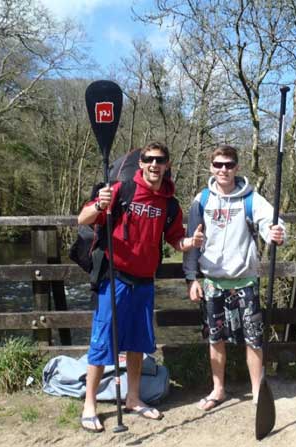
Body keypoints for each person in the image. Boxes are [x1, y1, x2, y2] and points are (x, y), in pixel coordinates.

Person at [78, 142, 204, 433]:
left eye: (159, 160)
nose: (154, 165)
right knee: (102, 340)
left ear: (167, 165)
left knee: (136, 343)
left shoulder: (169, 204)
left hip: (144, 282)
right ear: (142, 162)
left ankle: (133, 398)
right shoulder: (121, 190)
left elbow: (175, 241)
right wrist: (100, 203)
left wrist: (190, 243)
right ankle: (90, 404)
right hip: (115, 278)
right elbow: (82, 219)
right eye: (148, 160)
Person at [183, 144, 286, 411]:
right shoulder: (202, 199)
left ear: (237, 167)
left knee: (253, 340)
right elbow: (192, 240)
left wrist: (276, 232)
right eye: (218, 164)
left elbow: (270, 222)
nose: (223, 170)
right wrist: (192, 278)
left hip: (245, 282)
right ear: (211, 167)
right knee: (215, 340)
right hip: (213, 283)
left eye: (228, 164)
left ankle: (256, 391)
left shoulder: (251, 198)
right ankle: (218, 390)